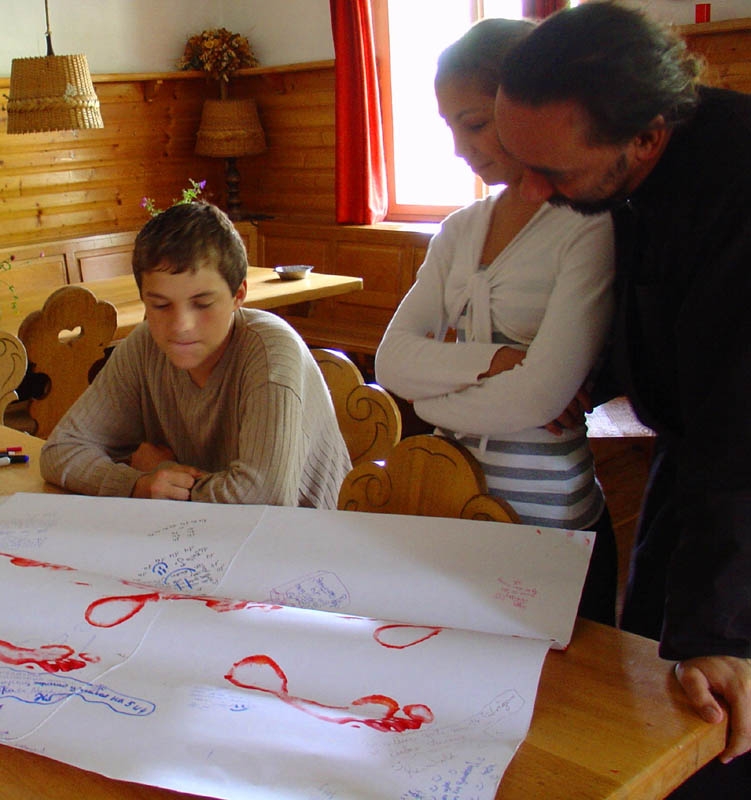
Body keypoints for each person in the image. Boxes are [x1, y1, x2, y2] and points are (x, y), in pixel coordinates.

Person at [493, 2, 751, 794]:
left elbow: (737, 433)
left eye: (552, 172)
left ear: (644, 135)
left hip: (737, 474)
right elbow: (648, 300)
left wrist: (717, 631)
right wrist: (593, 372)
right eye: (516, 161)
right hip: (692, 456)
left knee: (712, 711)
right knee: (641, 671)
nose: (530, 191)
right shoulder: (632, 163)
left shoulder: (737, 187)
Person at [375, 19, 618, 624]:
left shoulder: (586, 224)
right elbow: (391, 361)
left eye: (475, 123)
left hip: (550, 514)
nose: (461, 147)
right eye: (450, 126)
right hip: (449, 499)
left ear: (527, 106)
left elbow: (541, 396)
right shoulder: (459, 229)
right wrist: (498, 361)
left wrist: (429, 403)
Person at [40, 202, 351, 508]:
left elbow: (264, 496)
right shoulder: (144, 345)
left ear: (238, 295)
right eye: (160, 305)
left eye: (202, 304)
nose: (181, 326)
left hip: (309, 535)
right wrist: (138, 484)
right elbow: (61, 450)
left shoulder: (271, 352)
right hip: (199, 531)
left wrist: (162, 475)